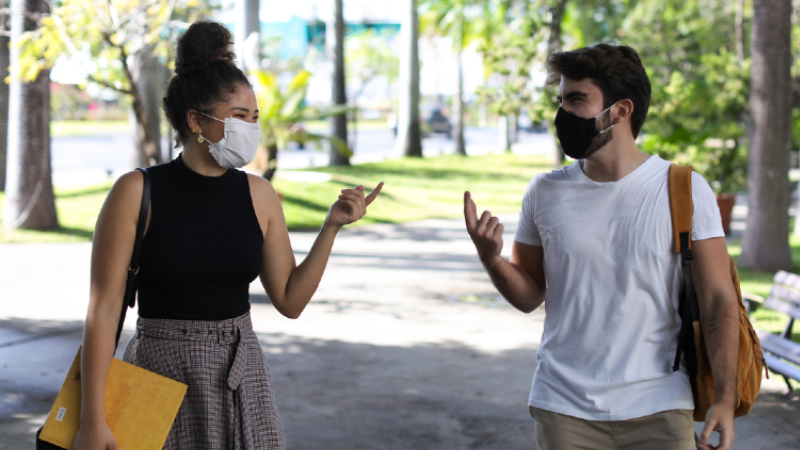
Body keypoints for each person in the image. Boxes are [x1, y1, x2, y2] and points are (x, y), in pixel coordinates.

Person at [73, 21, 382, 450]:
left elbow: (290, 301)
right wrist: (91, 418)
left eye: (254, 118)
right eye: (239, 117)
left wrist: (330, 227)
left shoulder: (260, 195)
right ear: (196, 120)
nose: (250, 129)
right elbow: (103, 312)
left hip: (241, 374)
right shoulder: (136, 192)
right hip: (158, 374)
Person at [464, 43, 739, 450]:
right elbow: (528, 295)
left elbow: (719, 300)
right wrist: (491, 259)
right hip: (564, 408)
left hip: (660, 406)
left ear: (621, 110)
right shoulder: (544, 192)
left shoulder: (683, 189)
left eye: (577, 100)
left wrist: (726, 400)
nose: (563, 114)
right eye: (562, 100)